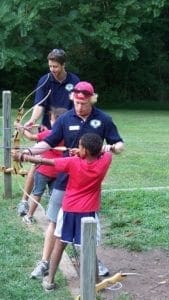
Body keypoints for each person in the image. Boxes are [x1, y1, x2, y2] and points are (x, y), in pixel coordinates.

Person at [21, 81, 124, 278]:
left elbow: (118, 144)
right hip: (65, 177)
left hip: (87, 182)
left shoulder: (104, 119)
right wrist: (28, 151)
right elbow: (48, 142)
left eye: (83, 103)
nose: (79, 107)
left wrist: (113, 147)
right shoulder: (65, 118)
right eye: (76, 102)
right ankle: (45, 262)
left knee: (88, 225)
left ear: (91, 100)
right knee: (53, 221)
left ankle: (92, 261)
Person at [13, 132, 114, 291]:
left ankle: (50, 280)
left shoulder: (72, 162)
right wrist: (84, 152)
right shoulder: (104, 162)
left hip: (69, 210)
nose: (77, 148)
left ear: (85, 150)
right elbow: (107, 152)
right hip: (88, 212)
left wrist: (24, 157)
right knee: (88, 246)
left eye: (80, 146)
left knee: (59, 244)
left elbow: (46, 161)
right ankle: (95, 280)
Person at [17, 48, 80, 216]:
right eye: (50, 66)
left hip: (68, 129)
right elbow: (40, 104)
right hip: (48, 128)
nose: (52, 69)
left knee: (70, 162)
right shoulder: (45, 80)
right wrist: (33, 119)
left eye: (56, 66)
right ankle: (24, 201)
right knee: (36, 163)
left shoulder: (74, 81)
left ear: (63, 64)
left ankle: (69, 198)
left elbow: (78, 105)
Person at [17, 107, 68, 224]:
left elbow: (30, 137)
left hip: (43, 170)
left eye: (52, 120)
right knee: (54, 195)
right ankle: (54, 218)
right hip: (58, 171)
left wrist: (21, 128)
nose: (50, 122)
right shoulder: (68, 136)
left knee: (37, 193)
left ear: (56, 122)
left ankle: (29, 216)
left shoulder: (49, 134)